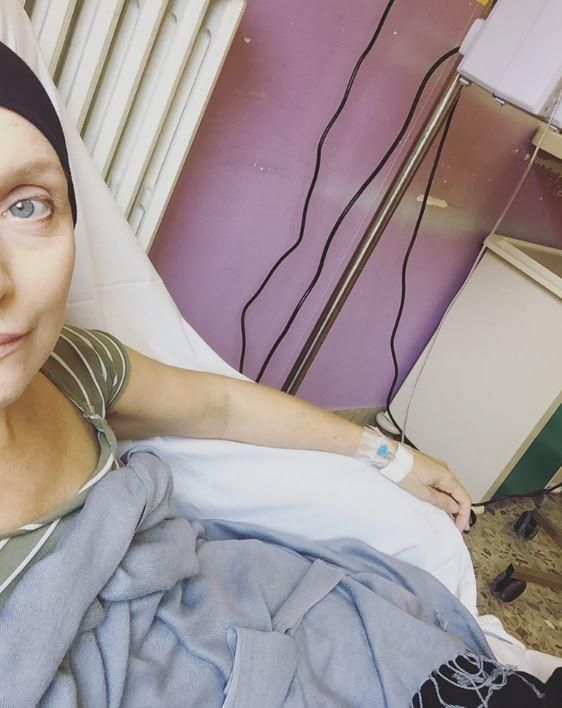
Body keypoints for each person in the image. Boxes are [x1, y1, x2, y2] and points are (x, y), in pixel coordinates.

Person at [0, 40, 560, 707]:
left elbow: (220, 407)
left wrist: (391, 456)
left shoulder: (71, 368)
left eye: (26, 205)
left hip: (248, 613)